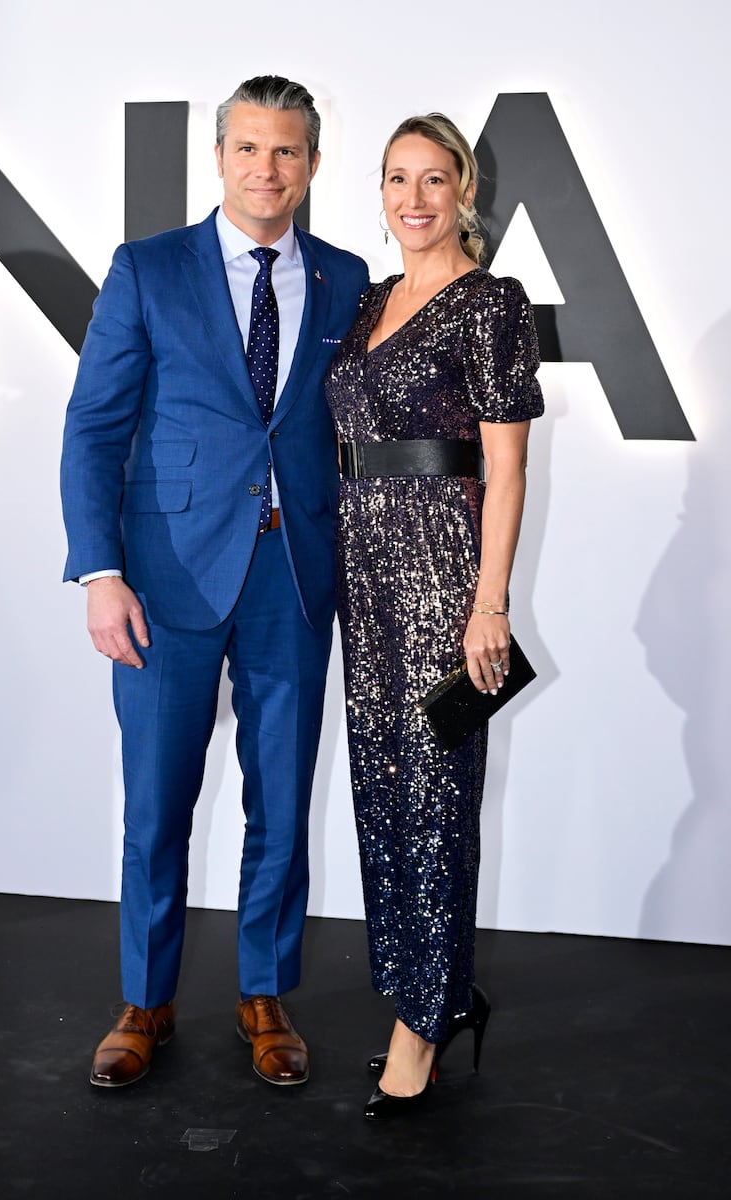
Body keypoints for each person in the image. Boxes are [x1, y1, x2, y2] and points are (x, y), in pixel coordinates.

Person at [60, 75, 369, 1090]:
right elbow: (94, 430)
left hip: (293, 577)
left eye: (285, 152)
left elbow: (344, 436)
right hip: (163, 583)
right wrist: (100, 572)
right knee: (157, 805)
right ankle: (144, 1002)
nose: (265, 169)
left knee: (280, 801)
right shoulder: (146, 270)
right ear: (220, 156)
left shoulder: (342, 276)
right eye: (247, 149)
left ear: (312, 165)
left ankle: (262, 994)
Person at [326, 113, 544, 1119]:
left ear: (463, 189)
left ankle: (423, 1022)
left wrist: (485, 603)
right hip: (362, 575)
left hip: (440, 574)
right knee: (383, 788)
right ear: (378, 192)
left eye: (432, 179)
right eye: (394, 180)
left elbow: (504, 467)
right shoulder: (371, 300)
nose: (412, 200)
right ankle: (433, 990)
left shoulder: (490, 303)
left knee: (437, 796)